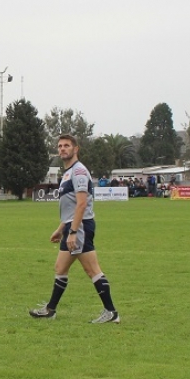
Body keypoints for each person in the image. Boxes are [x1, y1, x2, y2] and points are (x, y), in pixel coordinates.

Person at [30, 134, 120, 323]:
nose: (62, 149)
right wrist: (61, 228)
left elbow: (81, 205)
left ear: (76, 149)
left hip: (80, 227)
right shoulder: (69, 172)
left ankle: (111, 313)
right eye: (60, 146)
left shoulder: (78, 172)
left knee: (92, 269)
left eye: (67, 146)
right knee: (60, 268)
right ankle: (50, 310)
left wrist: (72, 232)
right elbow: (71, 207)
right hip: (73, 226)